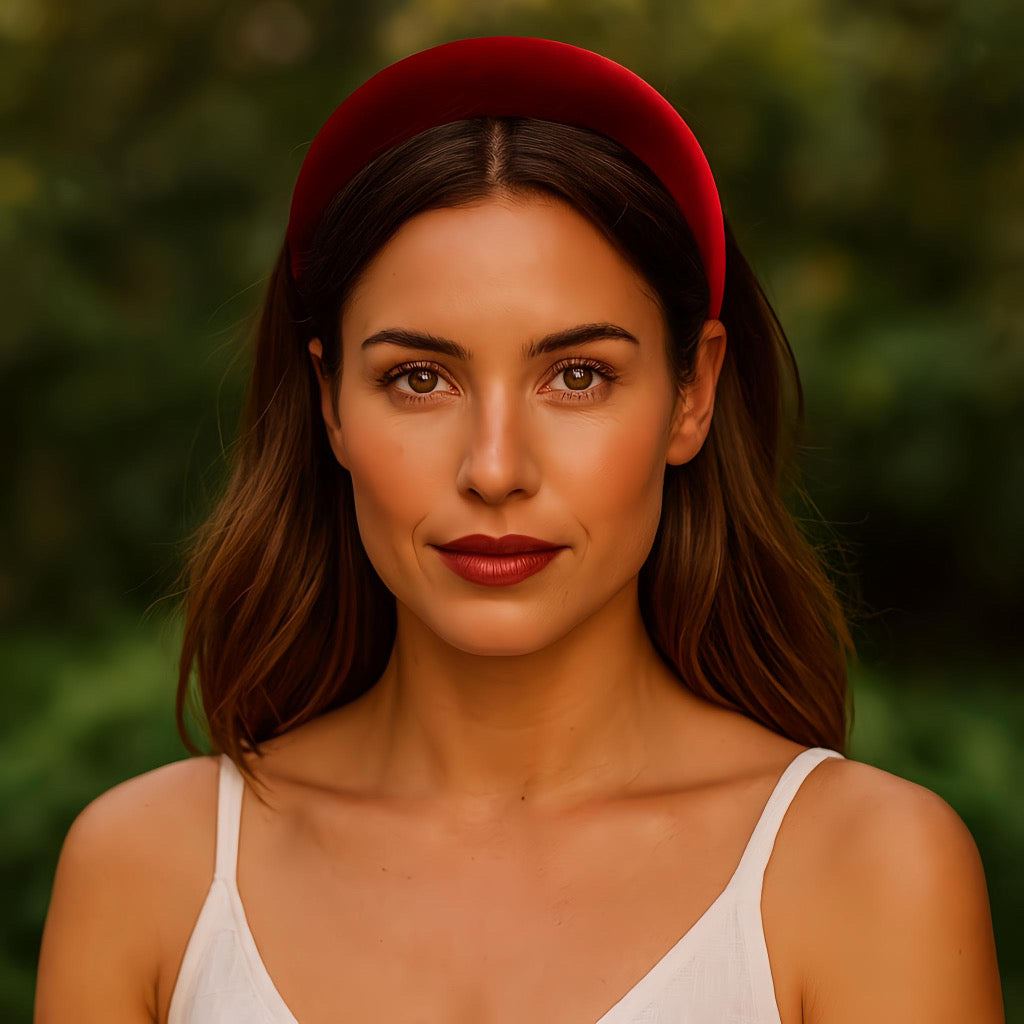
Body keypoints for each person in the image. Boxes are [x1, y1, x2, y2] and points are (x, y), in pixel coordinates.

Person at [35, 36, 1003, 1024]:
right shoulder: (149, 870)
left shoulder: (866, 870)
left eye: (577, 376)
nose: (494, 468)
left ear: (691, 393)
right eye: (419, 378)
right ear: (329, 400)